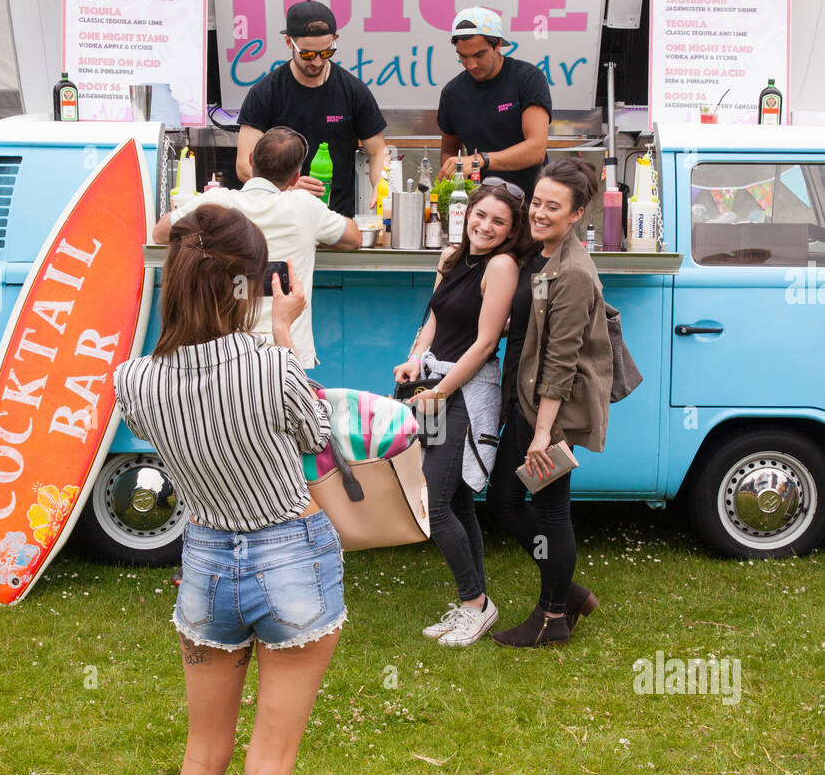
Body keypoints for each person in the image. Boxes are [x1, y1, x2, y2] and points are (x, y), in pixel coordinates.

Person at [114, 204, 345, 775]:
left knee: (200, 759)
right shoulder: (268, 363)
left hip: (206, 562)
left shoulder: (134, 380)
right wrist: (282, 332)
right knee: (267, 770)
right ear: (247, 282)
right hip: (288, 554)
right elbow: (319, 432)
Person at [393, 182, 531, 647]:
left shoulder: (503, 266)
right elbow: (432, 319)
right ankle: (476, 602)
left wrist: (442, 391)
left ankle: (475, 604)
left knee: (433, 501)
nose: (486, 226)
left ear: (511, 232)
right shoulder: (452, 257)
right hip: (432, 384)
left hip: (466, 394)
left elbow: (487, 342)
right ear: (468, 212)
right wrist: (415, 358)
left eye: (499, 222)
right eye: (481, 215)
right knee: (455, 501)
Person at [486, 158, 613, 648]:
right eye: (536, 202)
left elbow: (561, 361)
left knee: (551, 510)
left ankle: (553, 615)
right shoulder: (540, 254)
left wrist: (543, 433)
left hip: (548, 410)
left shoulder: (575, 272)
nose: (539, 213)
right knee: (503, 502)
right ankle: (571, 591)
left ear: (577, 212)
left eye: (552, 207)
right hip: (525, 397)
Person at [152, 127, 361, 370]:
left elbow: (160, 233)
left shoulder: (219, 201)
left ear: (251, 160)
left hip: (226, 354)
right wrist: (312, 236)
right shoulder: (305, 207)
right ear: (295, 178)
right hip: (287, 354)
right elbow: (353, 238)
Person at [235, 1, 388, 217]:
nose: (317, 61)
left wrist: (381, 190)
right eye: (307, 55)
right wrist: (288, 189)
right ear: (289, 42)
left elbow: (378, 150)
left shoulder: (353, 90)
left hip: (335, 217)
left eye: (326, 53)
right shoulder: (265, 93)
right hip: (280, 216)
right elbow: (243, 165)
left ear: (334, 40)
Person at [436, 7, 552, 204]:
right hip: (482, 209)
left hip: (531, 205)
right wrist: (454, 182)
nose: (471, 64)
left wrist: (480, 160)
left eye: (479, 55)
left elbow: (536, 149)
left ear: (498, 44)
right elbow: (449, 150)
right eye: (462, 56)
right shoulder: (452, 93)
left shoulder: (527, 78)